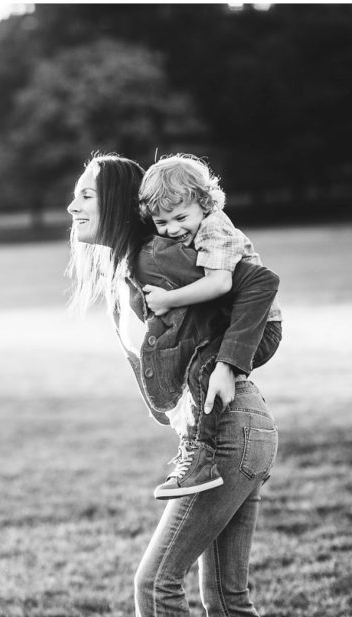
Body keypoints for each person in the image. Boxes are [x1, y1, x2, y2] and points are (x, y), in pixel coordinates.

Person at [67, 153, 285, 617]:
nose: (72, 205)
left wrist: (229, 363)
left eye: (86, 195)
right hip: (234, 429)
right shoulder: (137, 267)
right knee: (227, 599)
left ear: (116, 204)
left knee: (156, 581)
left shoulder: (166, 257)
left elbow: (258, 283)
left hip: (231, 429)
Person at [138, 154, 283, 498]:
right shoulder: (191, 229)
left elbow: (219, 284)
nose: (172, 229)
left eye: (180, 217)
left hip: (260, 328)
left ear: (204, 203)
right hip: (232, 325)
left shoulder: (215, 228)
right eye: (161, 223)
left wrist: (166, 300)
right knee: (196, 371)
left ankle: (202, 459)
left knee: (204, 372)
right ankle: (196, 449)